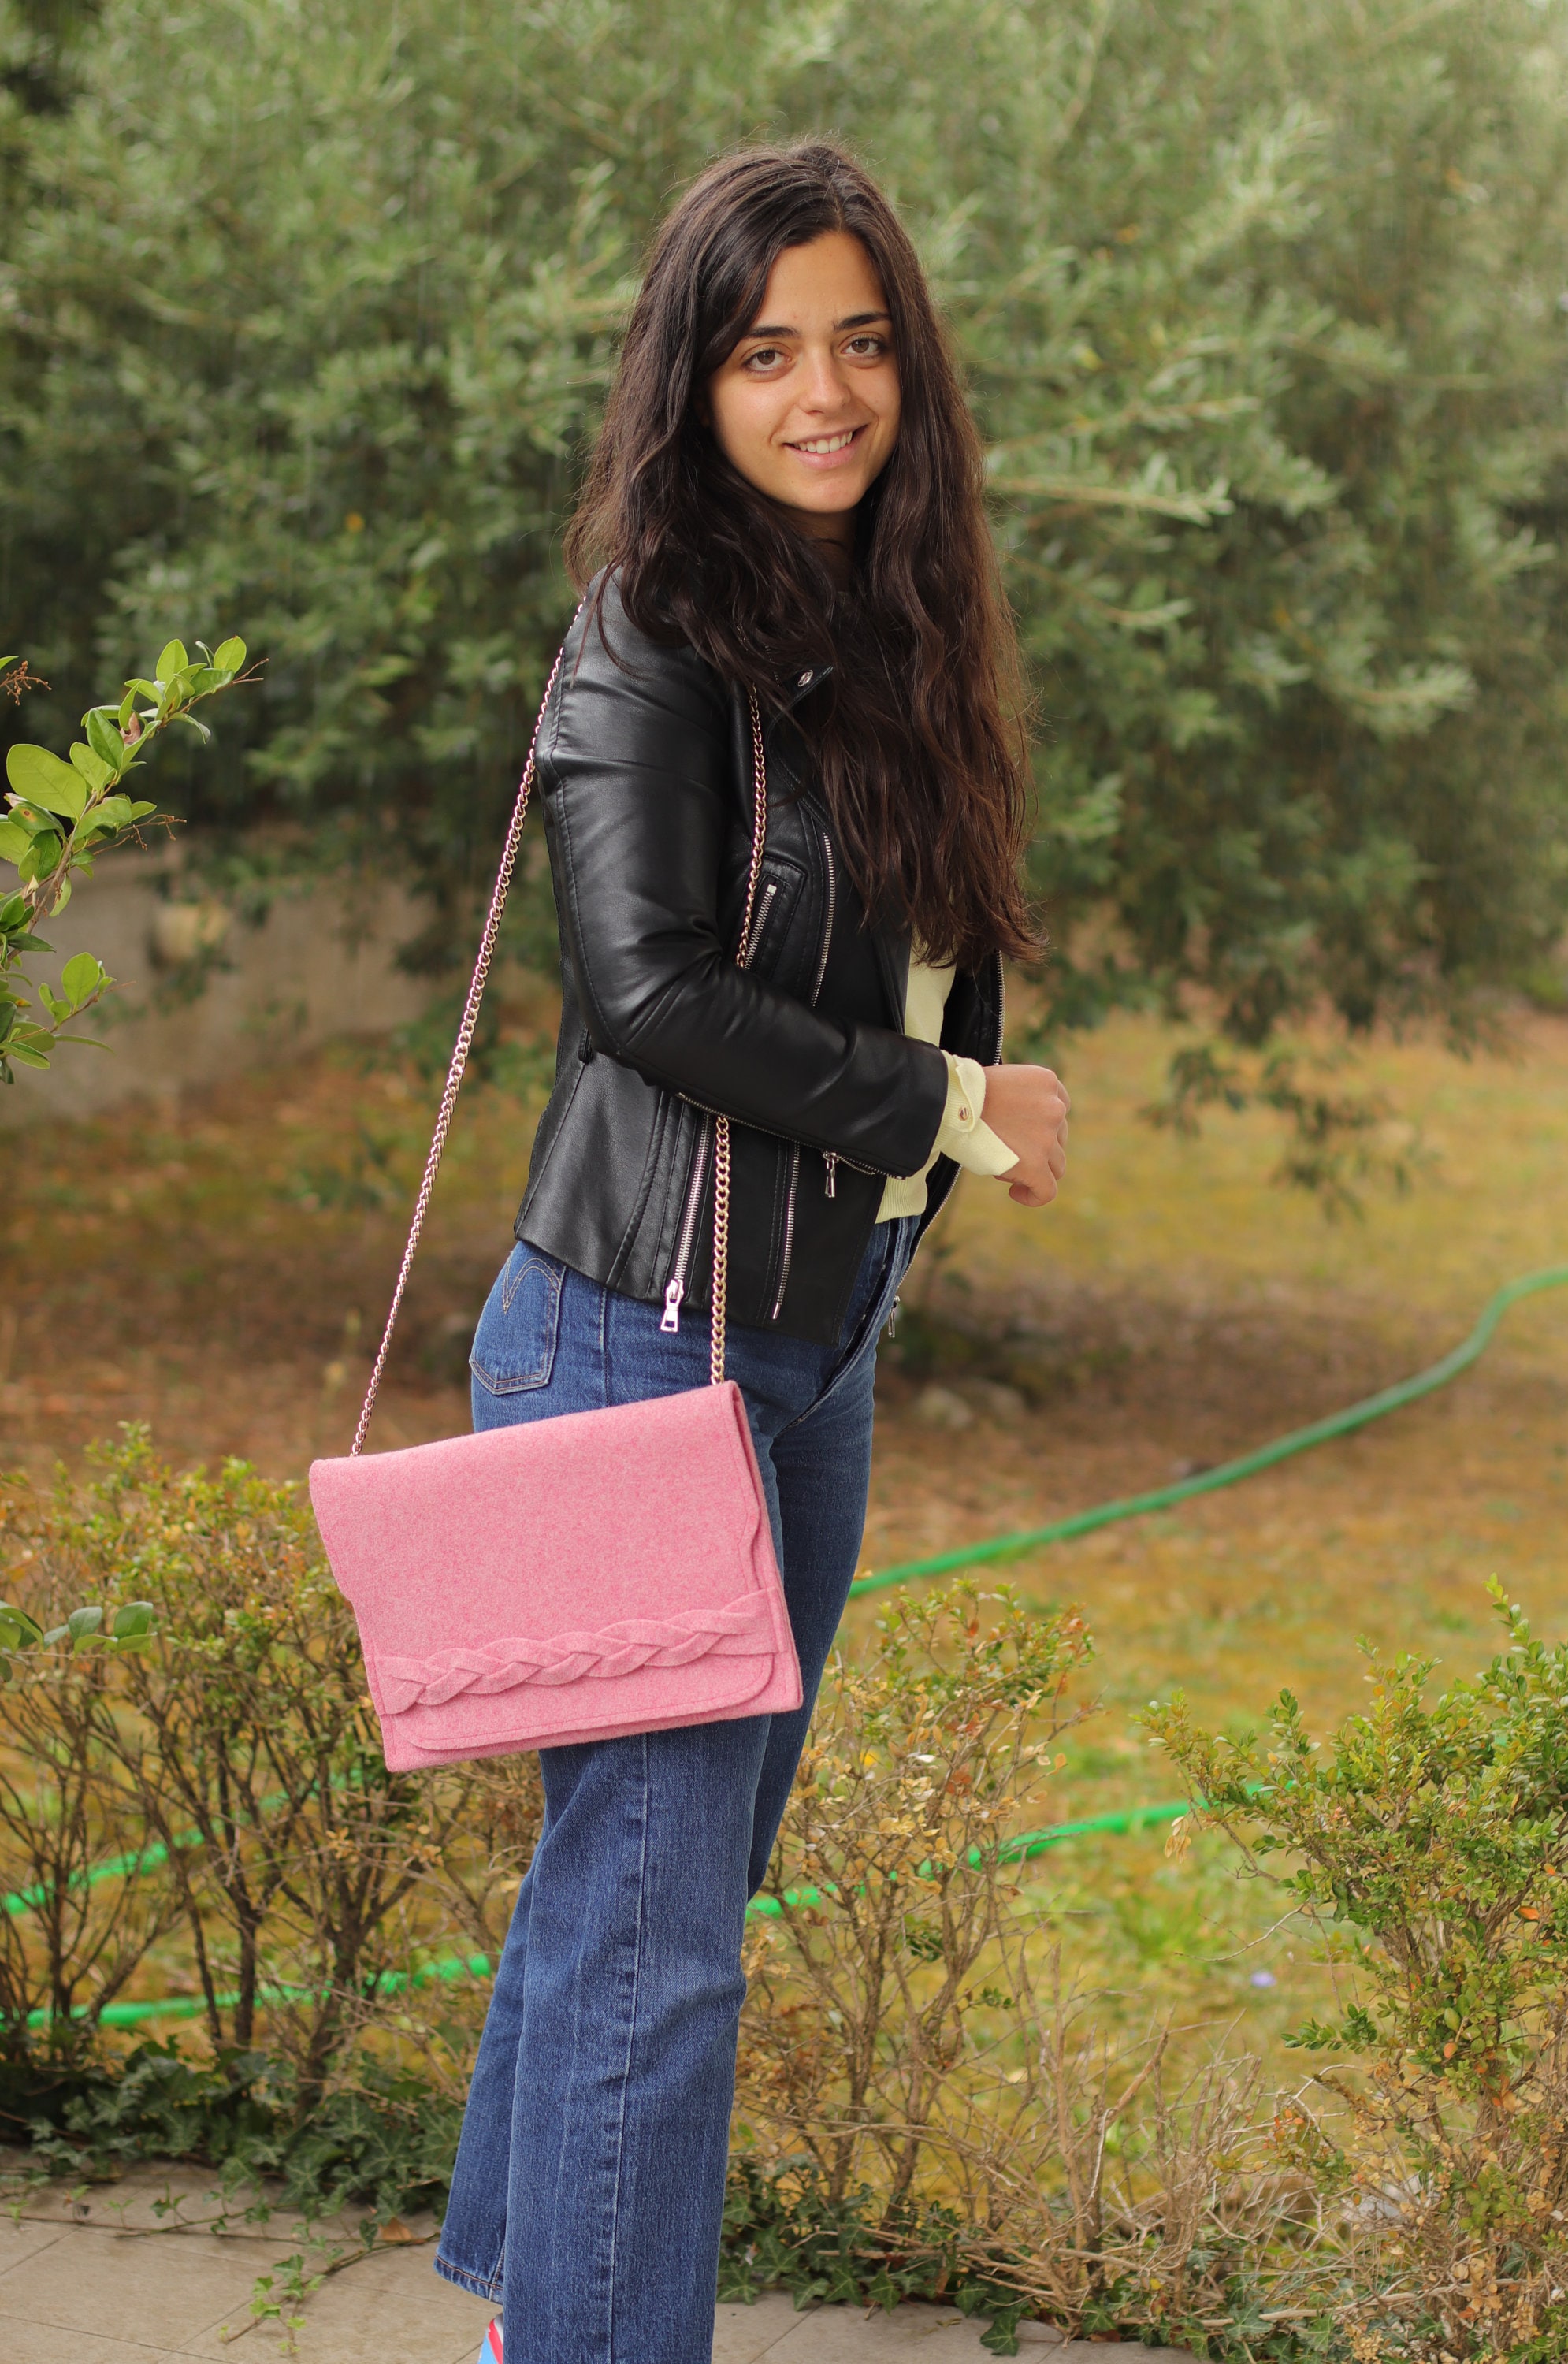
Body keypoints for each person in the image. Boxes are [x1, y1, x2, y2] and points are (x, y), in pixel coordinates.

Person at [434, 139, 1071, 2364]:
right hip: (635, 1339)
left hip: (807, 1338)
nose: (827, 392)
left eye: (863, 341)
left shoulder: (883, 626)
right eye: (770, 349)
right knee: (654, 1927)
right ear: (693, 379)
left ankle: (540, 2319)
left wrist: (932, 1112)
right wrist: (961, 1114)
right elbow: (652, 997)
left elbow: (868, 960)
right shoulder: (655, 629)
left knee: (643, 1887)